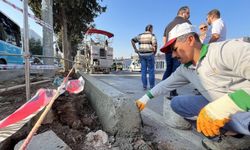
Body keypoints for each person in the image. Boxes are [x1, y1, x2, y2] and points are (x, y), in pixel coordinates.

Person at [136, 22, 250, 149]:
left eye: (175, 49)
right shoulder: (185, 69)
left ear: (190, 40)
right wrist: (145, 98)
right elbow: (165, 84)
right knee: (178, 103)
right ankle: (232, 138)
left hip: (245, 110)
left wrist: (226, 106)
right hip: (227, 112)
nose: (173, 55)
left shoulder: (225, 50)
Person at [161, 6, 191, 99]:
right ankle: (172, 92)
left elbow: (164, 39)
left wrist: (168, 48)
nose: (189, 16)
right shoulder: (186, 23)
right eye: (188, 13)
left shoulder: (169, 25)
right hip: (179, 50)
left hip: (168, 50)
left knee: (168, 69)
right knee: (175, 71)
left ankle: (162, 88)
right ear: (183, 13)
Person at [131, 24, 157, 90]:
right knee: (151, 71)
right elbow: (155, 45)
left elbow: (132, 40)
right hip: (150, 54)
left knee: (143, 71)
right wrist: (154, 53)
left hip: (142, 55)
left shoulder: (140, 35)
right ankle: (152, 86)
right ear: (150, 29)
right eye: (152, 29)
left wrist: (135, 49)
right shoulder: (152, 35)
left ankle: (144, 86)